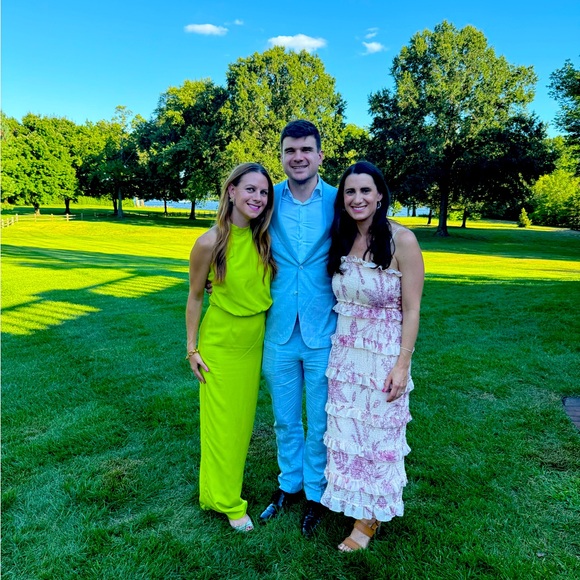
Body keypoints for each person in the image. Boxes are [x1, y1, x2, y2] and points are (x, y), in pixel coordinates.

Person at [320, 160, 424, 551]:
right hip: (346, 356)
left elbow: (412, 309)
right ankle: (354, 500)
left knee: (378, 436)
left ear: (380, 195)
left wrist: (402, 364)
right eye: (350, 191)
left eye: (365, 190)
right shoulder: (341, 237)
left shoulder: (402, 241)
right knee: (348, 434)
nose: (357, 198)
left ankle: (368, 520)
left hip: (383, 356)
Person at [186, 162, 276, 532]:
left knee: (240, 425)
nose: (258, 197)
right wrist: (192, 349)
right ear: (232, 191)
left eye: (264, 192)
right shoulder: (209, 242)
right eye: (250, 189)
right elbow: (195, 297)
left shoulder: (264, 238)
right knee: (222, 425)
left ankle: (214, 490)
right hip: (221, 343)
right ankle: (227, 502)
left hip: (253, 343)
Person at [259, 120, 338, 537]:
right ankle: (288, 484)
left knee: (321, 422)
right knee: (285, 419)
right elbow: (235, 234)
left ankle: (316, 493)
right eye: (290, 150)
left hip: (325, 328)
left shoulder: (340, 200)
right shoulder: (266, 198)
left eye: (306, 149)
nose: (298, 157)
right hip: (278, 329)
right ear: (282, 156)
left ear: (320, 155)